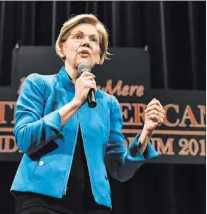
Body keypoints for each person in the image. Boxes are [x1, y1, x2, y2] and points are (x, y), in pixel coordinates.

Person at [10, 14, 166, 214]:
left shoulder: (108, 103)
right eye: (78, 37)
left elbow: (120, 170)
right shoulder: (39, 84)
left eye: (93, 40)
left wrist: (146, 133)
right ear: (62, 48)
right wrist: (76, 102)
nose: (86, 42)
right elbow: (24, 139)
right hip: (41, 200)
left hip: (93, 206)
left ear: (99, 56)